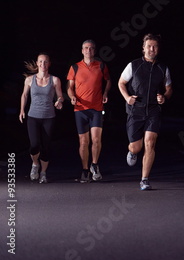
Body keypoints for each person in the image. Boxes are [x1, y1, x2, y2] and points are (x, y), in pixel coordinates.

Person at [118, 33, 173, 190]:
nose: (152, 49)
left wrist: (164, 97)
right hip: (135, 111)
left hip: (154, 111)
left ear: (158, 49)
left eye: (154, 46)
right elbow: (121, 83)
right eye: (149, 46)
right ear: (143, 48)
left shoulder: (163, 68)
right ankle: (132, 151)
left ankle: (144, 179)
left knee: (150, 142)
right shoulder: (133, 65)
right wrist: (127, 97)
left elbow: (169, 89)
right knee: (136, 147)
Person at [67, 40, 111, 183]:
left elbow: (109, 81)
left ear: (94, 51)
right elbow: (69, 87)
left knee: (97, 139)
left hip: (97, 108)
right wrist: (72, 96)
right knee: (83, 141)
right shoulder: (75, 67)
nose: (88, 51)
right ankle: (85, 170)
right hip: (80, 109)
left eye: (91, 48)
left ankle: (95, 165)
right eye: (86, 48)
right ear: (82, 50)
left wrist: (105, 93)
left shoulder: (101, 65)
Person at [19, 53, 64, 183]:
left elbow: (60, 96)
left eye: (45, 62)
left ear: (49, 64)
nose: (43, 64)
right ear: (37, 63)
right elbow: (24, 95)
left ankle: (43, 173)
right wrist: (22, 110)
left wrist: (59, 102)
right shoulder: (29, 80)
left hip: (49, 117)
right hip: (33, 116)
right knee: (34, 145)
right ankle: (35, 164)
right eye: (40, 62)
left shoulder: (55, 80)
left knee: (46, 147)